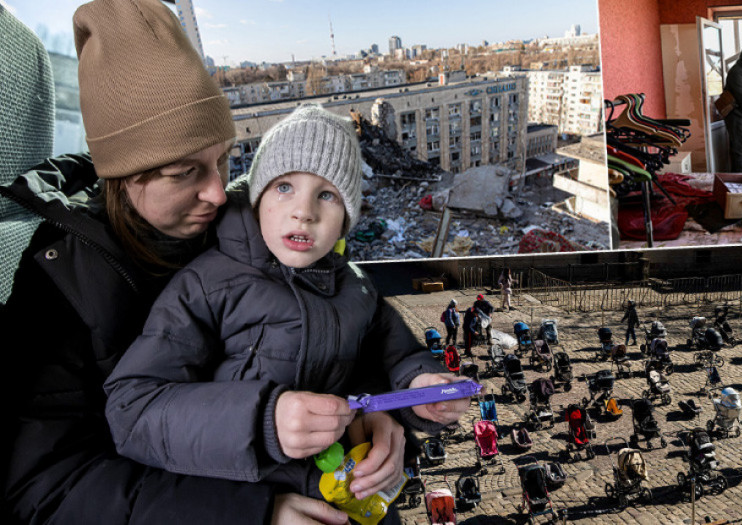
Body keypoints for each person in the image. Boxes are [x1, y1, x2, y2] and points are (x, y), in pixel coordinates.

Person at [0, 1, 408, 523]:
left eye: (223, 159)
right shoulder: (61, 283)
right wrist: (250, 512)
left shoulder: (263, 224)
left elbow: (335, 327)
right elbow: (47, 484)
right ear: (124, 179)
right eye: (184, 171)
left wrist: (375, 411)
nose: (219, 191)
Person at [103, 105, 468, 513]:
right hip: (248, 502)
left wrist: (418, 395)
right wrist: (261, 423)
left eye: (327, 195)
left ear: (347, 217)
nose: (304, 211)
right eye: (283, 187)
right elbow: (132, 412)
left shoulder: (358, 287)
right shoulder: (205, 285)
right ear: (257, 196)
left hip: (349, 500)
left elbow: (397, 356)